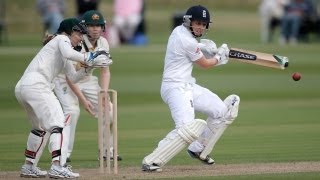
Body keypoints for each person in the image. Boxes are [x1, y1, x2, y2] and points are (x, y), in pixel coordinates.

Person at [141, 5, 240, 172]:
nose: (201, 27)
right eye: (197, 23)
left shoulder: (179, 31)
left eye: (204, 24)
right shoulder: (186, 39)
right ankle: (152, 160)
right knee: (187, 129)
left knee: (221, 111)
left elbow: (195, 49)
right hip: (175, 88)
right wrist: (219, 57)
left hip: (188, 85)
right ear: (188, 22)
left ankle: (198, 148)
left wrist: (204, 48)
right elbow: (205, 64)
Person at [15, 18, 111, 178]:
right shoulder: (62, 39)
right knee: (59, 123)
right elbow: (69, 53)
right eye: (79, 34)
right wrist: (91, 56)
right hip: (37, 86)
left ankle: (28, 166)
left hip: (24, 88)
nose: (81, 38)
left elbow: (73, 77)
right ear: (69, 31)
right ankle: (58, 166)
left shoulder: (63, 50)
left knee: (39, 129)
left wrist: (90, 66)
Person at [53, 10, 121, 166]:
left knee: (109, 110)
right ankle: (65, 153)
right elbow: (70, 77)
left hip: (88, 79)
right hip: (65, 80)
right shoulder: (76, 41)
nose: (95, 29)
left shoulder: (103, 42)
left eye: (98, 25)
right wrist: (84, 101)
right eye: (91, 25)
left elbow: (105, 70)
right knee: (72, 111)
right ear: (84, 27)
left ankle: (106, 151)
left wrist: (104, 92)